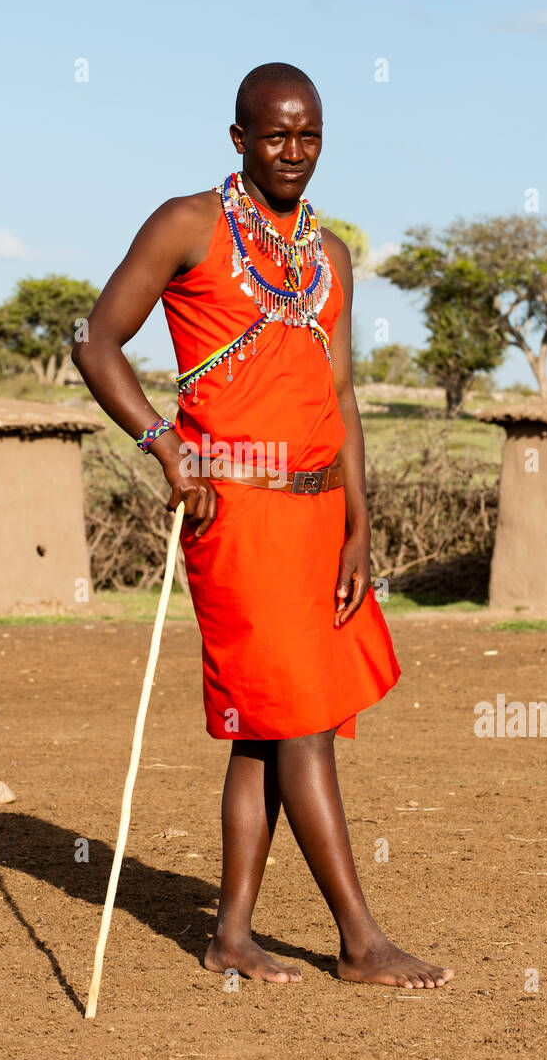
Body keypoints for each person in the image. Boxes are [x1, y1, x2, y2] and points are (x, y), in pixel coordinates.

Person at [73, 62, 453, 990]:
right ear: (237, 138)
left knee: (267, 728)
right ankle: (360, 941)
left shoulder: (329, 256)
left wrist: (360, 526)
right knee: (302, 727)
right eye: (275, 135)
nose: (294, 153)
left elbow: (342, 392)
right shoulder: (187, 224)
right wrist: (166, 447)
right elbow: (96, 342)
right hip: (237, 512)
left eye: (309, 135)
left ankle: (230, 933)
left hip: (322, 511)